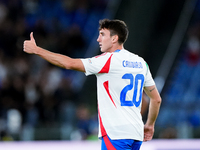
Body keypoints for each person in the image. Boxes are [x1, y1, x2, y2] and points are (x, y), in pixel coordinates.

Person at [23, 19, 161, 150]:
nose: (98, 39)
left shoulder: (108, 60)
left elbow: (69, 63)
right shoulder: (141, 63)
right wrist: (149, 124)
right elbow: (156, 99)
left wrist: (37, 50)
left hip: (116, 133)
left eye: (102, 35)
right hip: (135, 133)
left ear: (114, 38)